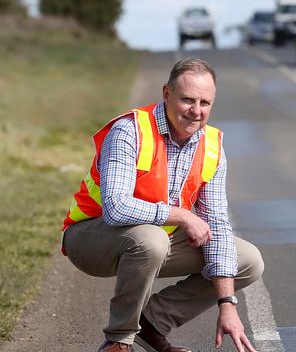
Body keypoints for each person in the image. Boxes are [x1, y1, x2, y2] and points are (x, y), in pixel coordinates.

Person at [61, 58, 263, 352]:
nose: (196, 111)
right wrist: (182, 216)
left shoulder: (212, 145)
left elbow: (217, 224)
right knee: (151, 240)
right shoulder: (130, 131)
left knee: (246, 259)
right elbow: (117, 208)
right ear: (166, 94)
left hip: (154, 239)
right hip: (90, 238)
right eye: (187, 100)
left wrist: (227, 304)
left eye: (205, 102)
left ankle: (152, 323)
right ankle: (119, 341)